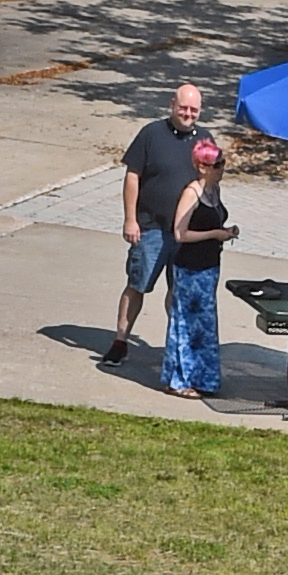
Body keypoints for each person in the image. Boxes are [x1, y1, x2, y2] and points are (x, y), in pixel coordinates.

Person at [104, 83, 202, 372]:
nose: (188, 114)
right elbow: (132, 176)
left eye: (194, 110)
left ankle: (175, 346)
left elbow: (211, 182)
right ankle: (120, 342)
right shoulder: (151, 134)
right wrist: (130, 219)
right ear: (172, 104)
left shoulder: (204, 139)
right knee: (138, 285)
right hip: (150, 228)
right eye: (183, 107)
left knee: (179, 293)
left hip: (186, 234)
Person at [153, 136, 236, 399]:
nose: (222, 168)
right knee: (185, 324)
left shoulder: (214, 191)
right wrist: (214, 234)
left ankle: (204, 378)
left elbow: (213, 222)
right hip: (190, 268)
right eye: (217, 164)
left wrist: (224, 231)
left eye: (223, 163)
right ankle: (178, 379)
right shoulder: (192, 193)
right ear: (202, 167)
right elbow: (180, 233)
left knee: (205, 325)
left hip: (210, 267)